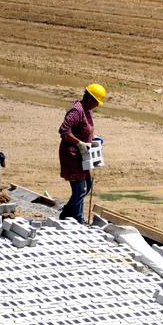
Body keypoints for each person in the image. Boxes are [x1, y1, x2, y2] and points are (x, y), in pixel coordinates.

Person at [58, 83, 106, 223]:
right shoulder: (76, 111)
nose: (97, 105)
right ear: (90, 98)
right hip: (71, 156)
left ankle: (69, 214)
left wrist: (93, 139)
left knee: (87, 186)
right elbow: (64, 130)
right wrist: (79, 143)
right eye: (96, 102)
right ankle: (76, 218)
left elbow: (84, 130)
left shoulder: (87, 110)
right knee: (80, 189)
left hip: (82, 156)